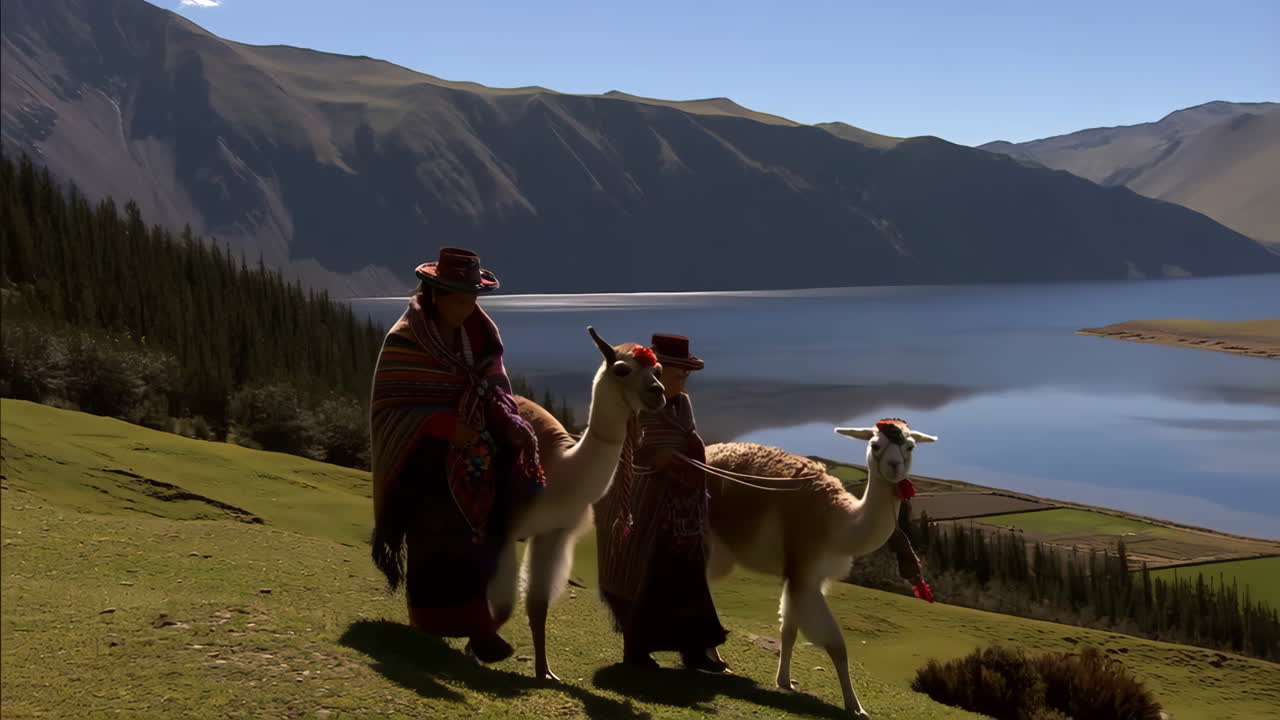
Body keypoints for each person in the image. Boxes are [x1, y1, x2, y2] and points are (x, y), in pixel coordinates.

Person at [369, 247, 544, 663]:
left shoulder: (482, 338)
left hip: (476, 460)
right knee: (434, 540)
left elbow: (497, 390)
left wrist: (511, 426)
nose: (468, 308)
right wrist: (447, 426)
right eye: (459, 300)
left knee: (482, 541)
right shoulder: (405, 340)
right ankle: (428, 625)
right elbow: (395, 407)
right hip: (426, 463)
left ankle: (479, 630)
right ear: (434, 296)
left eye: (472, 300)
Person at [594, 333, 730, 671]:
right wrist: (656, 458)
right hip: (645, 507)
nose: (681, 381)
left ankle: (694, 649)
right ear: (655, 372)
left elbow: (688, 437)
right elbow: (625, 451)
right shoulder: (635, 407)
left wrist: (685, 462)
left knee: (687, 576)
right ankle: (637, 651)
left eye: (685, 375)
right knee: (646, 577)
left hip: (682, 510)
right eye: (676, 374)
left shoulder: (682, 404)